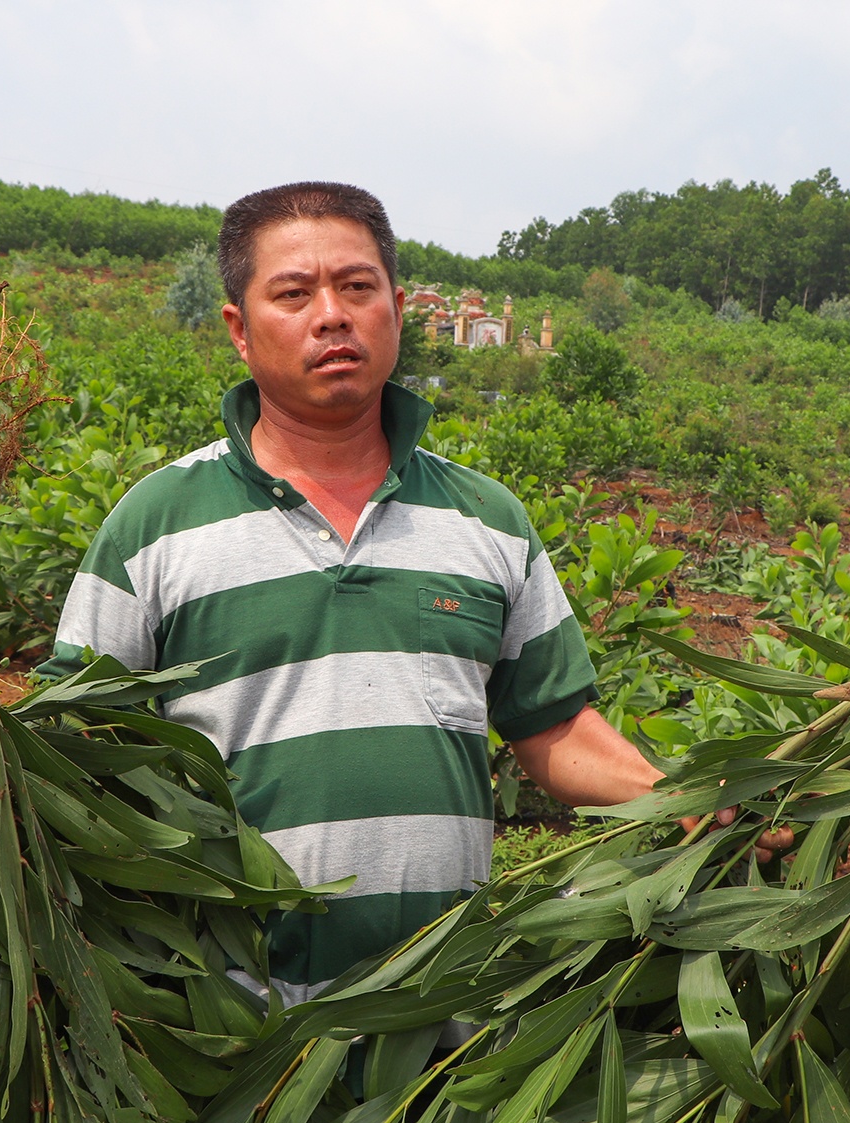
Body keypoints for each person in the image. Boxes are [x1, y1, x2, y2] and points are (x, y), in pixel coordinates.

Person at [47, 181, 727, 1003]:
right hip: (230, 1027)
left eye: (357, 287)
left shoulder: (488, 520)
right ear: (239, 328)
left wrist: (685, 797)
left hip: (444, 1024)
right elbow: (73, 744)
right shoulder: (155, 525)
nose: (331, 315)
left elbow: (552, 725)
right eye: (293, 294)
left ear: (396, 310)